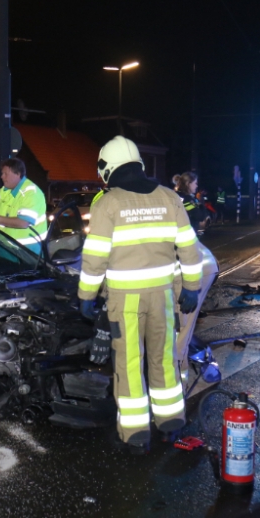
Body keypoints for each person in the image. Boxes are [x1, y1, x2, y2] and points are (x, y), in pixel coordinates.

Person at [78, 136, 202, 454]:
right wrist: (191, 287)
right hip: (163, 298)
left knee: (130, 363)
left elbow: (95, 258)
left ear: (108, 167)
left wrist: (86, 295)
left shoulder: (108, 204)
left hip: (124, 301)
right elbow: (189, 248)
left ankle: (136, 434)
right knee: (164, 359)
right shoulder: (169, 197)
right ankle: (171, 422)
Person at [171, 173, 219, 385]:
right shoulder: (187, 201)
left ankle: (181, 377)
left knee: (182, 326)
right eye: (195, 182)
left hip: (195, 266)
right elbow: (199, 216)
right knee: (176, 325)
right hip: (185, 263)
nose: (197, 185)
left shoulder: (173, 200)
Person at [0, 157, 48, 254]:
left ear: (18, 174)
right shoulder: (5, 190)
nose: (2, 177)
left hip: (26, 253)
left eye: (5, 174)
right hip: (6, 247)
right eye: (2, 173)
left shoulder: (31, 193)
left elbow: (23, 223)